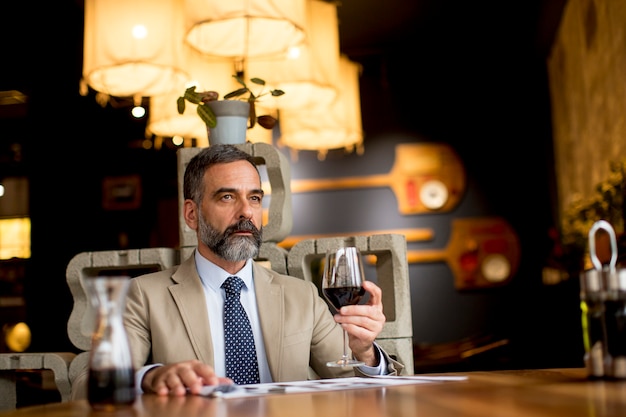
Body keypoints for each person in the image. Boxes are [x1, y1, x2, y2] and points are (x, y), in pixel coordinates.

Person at [101, 144, 403, 398]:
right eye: (227, 197)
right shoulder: (143, 295)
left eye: (255, 198)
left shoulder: (301, 296)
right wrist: (150, 377)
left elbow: (353, 383)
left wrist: (365, 352)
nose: (246, 211)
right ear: (192, 215)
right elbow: (91, 384)